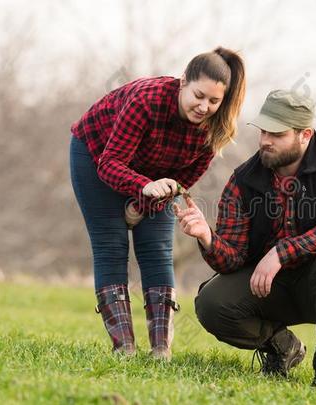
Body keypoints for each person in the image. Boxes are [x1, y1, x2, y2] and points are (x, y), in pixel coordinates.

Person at [174, 89, 316, 385]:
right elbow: (232, 258)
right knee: (211, 303)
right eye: (263, 131)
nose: (265, 140)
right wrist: (207, 237)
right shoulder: (243, 180)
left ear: (305, 134)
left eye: (277, 134)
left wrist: (282, 253)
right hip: (270, 286)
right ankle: (284, 348)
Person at [69, 47, 246, 360]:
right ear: (182, 83)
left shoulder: (213, 129)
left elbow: (183, 181)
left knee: (157, 250)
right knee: (111, 245)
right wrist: (143, 187)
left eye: (214, 101)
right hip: (97, 154)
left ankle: (160, 350)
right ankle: (124, 348)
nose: (204, 106)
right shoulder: (146, 101)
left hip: (154, 177)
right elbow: (110, 163)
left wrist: (143, 204)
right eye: (198, 95)